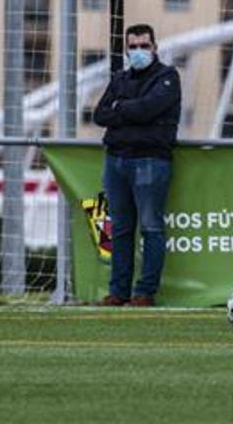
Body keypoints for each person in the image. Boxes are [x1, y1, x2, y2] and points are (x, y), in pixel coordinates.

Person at [92, 24, 181, 307]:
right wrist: (130, 111)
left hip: (150, 160)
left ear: (154, 47)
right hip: (116, 159)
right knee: (119, 228)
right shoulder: (119, 78)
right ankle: (118, 291)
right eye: (133, 46)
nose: (139, 51)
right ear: (126, 49)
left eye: (144, 46)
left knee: (151, 226)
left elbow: (148, 109)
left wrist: (121, 108)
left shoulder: (168, 77)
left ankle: (145, 292)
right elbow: (99, 114)